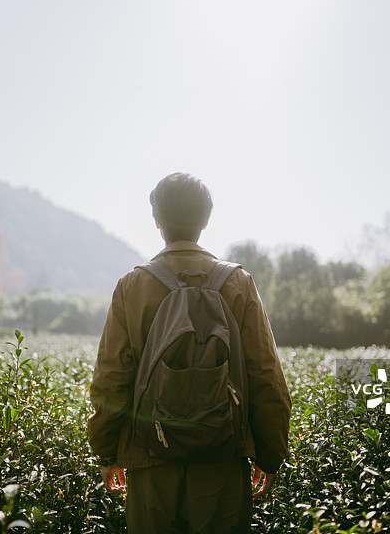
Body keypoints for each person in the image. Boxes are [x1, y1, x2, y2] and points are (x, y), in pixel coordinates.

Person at [87, 172, 292, 533]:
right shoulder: (238, 282)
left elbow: (112, 377)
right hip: (223, 461)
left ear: (157, 221)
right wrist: (269, 453)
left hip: (150, 461)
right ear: (206, 221)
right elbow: (265, 373)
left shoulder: (132, 285)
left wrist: (107, 452)